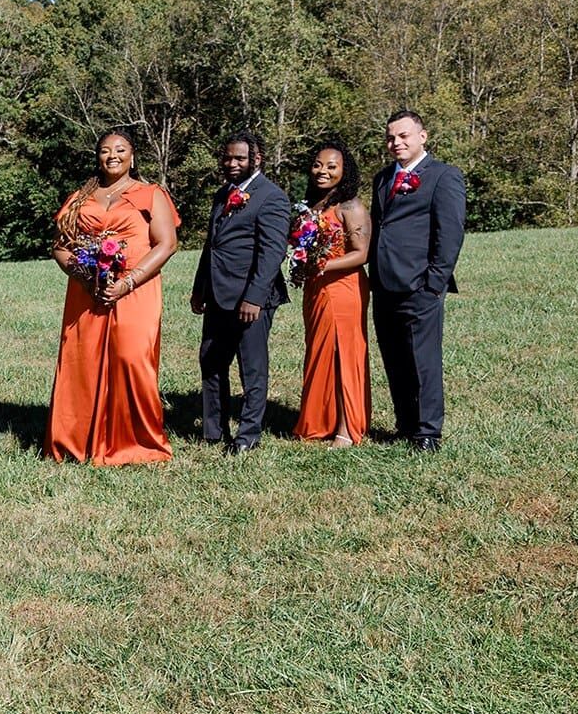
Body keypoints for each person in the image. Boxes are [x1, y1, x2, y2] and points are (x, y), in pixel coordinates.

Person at [44, 129, 179, 466]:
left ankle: (135, 441)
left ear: (133, 156)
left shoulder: (150, 194)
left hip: (136, 290)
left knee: (132, 359)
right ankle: (77, 441)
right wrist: (84, 277)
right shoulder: (81, 197)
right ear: (98, 157)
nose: (112, 156)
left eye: (120, 149)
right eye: (105, 150)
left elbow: (167, 244)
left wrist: (127, 282)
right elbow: (60, 246)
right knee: (82, 363)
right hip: (87, 293)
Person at [368, 109, 466, 451]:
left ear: (422, 137)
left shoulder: (444, 176)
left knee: (423, 361)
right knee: (394, 359)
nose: (396, 142)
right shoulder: (382, 179)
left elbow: (450, 234)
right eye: (390, 137)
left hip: (420, 286)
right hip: (383, 285)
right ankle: (406, 424)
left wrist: (434, 283)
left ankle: (427, 433)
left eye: (403, 135)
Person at [191, 130, 291, 454]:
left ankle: (248, 435)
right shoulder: (223, 194)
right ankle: (213, 431)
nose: (232, 163)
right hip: (217, 294)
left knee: (252, 367)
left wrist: (254, 298)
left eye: (240, 158)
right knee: (211, 360)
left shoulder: (272, 197)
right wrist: (200, 288)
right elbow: (212, 245)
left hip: (251, 298)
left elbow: (272, 253)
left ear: (256, 159)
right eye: (227, 157)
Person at [291, 141, 373, 446]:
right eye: (317, 164)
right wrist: (302, 265)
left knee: (342, 355)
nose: (322, 171)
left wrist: (322, 265)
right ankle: (319, 422)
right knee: (320, 352)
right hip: (316, 289)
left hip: (343, 289)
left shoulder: (350, 206)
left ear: (344, 171)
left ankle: (346, 428)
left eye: (331, 166)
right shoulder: (312, 206)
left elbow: (361, 253)